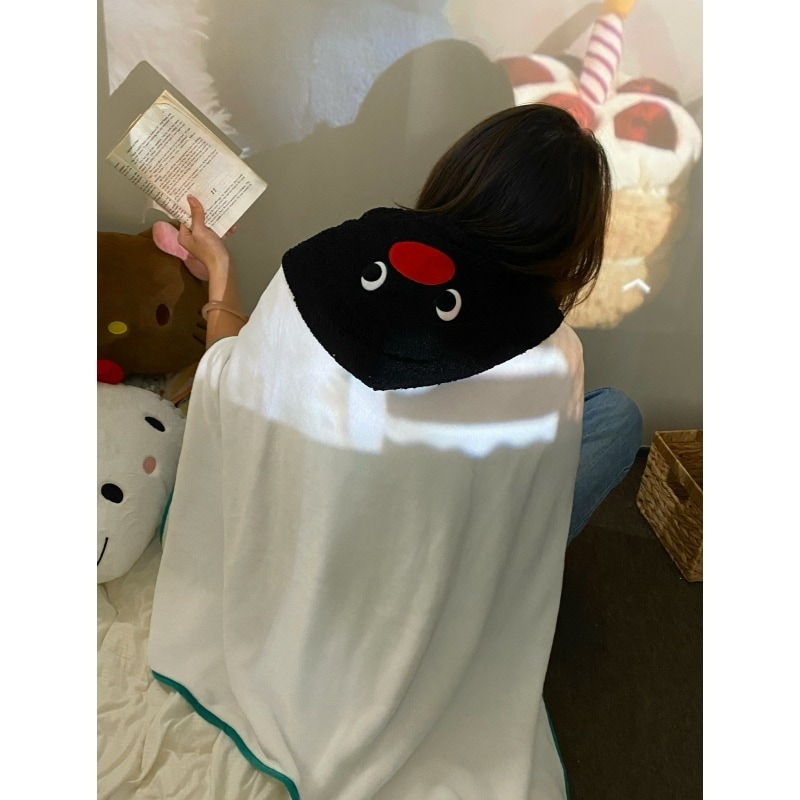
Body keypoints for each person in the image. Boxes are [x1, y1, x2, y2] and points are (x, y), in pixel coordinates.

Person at [148, 103, 642, 800]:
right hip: (432, 584)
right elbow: (529, 512)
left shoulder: (317, 263)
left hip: (310, 555)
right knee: (618, 418)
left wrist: (221, 272)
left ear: (459, 175)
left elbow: (227, 388)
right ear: (567, 247)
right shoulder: (554, 356)